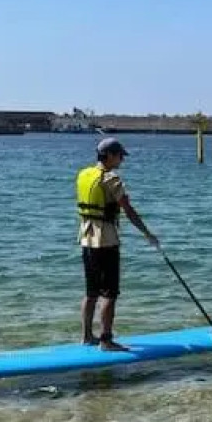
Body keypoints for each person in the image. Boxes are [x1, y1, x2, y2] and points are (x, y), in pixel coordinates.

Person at [77, 137, 160, 351]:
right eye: (120, 155)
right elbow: (128, 210)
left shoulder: (84, 174)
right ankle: (106, 340)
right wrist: (147, 233)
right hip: (106, 241)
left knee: (91, 291)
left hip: (86, 239)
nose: (122, 159)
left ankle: (87, 337)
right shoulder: (111, 179)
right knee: (109, 293)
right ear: (110, 156)